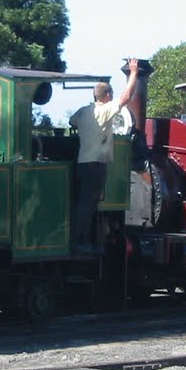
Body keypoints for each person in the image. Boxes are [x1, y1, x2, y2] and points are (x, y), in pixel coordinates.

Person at [69, 57, 140, 252]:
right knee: (88, 203)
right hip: (96, 164)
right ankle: (79, 241)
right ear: (107, 95)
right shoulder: (105, 110)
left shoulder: (83, 112)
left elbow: (72, 122)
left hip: (83, 162)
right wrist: (133, 73)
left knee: (85, 201)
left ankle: (81, 239)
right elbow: (126, 98)